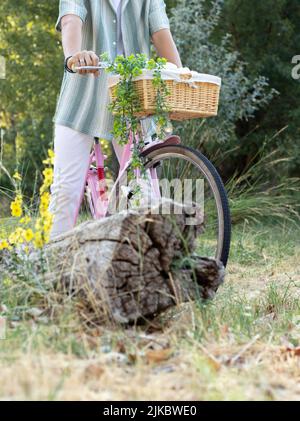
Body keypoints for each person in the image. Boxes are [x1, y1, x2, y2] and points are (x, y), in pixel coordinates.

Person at [49, 0, 182, 240]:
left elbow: (161, 34)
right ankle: (50, 266)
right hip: (83, 95)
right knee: (66, 189)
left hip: (131, 97)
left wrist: (180, 76)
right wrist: (73, 57)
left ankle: (146, 262)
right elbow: (71, 18)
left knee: (142, 190)